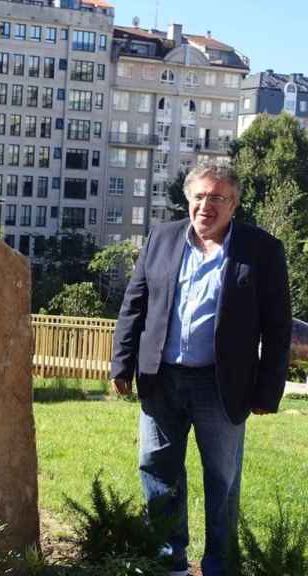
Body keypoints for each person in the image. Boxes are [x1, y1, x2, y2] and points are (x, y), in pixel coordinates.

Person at [111, 162, 291, 576]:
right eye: (199, 196)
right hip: (162, 379)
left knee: (221, 481)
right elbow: (134, 304)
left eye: (218, 198)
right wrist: (122, 362)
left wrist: (267, 392)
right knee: (157, 469)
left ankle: (217, 566)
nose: (206, 205)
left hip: (221, 385)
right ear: (187, 198)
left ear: (234, 204)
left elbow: (278, 328)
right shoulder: (162, 237)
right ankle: (169, 560)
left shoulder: (261, 250)